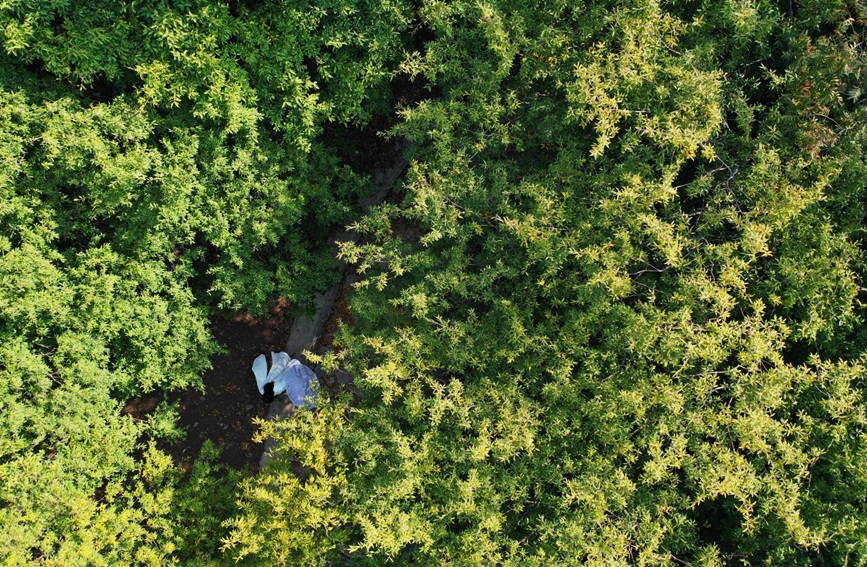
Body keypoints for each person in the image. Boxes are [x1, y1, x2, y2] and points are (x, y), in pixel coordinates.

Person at [252, 352, 318, 407]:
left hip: (287, 374)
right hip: (280, 375)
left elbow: (288, 379)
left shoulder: (278, 388)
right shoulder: (262, 390)